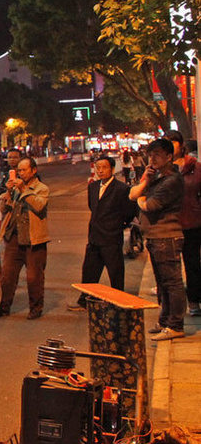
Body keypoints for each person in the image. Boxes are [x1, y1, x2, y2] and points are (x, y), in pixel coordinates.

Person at [130, 138, 187, 340]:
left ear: (169, 157)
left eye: (156, 155)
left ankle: (175, 325)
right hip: (155, 236)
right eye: (150, 155)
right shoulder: (158, 178)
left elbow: (150, 205)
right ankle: (165, 321)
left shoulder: (172, 180)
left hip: (167, 237)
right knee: (163, 283)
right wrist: (145, 181)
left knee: (172, 283)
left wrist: (142, 198)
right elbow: (133, 195)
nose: (151, 159)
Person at [69, 155, 135, 311]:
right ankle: (85, 300)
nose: (100, 171)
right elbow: (93, 207)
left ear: (112, 169)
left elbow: (129, 212)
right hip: (94, 236)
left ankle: (118, 301)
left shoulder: (122, 189)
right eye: (98, 168)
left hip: (111, 236)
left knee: (115, 272)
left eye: (104, 167)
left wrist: (118, 225)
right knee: (89, 270)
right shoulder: (93, 187)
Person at [0, 157, 50, 320]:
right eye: (19, 170)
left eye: (24, 170)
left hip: (34, 239)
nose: (21, 173)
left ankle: (36, 307)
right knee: (7, 276)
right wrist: (9, 193)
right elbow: (4, 209)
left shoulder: (41, 188)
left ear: (34, 171)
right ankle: (3, 307)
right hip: (14, 237)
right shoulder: (16, 188)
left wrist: (24, 189)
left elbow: (39, 206)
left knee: (34, 277)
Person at [164, 130, 201, 317]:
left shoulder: (194, 167)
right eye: (166, 142)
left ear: (181, 144)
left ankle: (194, 301)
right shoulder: (160, 168)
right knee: (170, 270)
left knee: (192, 265)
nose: (170, 145)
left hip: (190, 223)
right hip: (166, 227)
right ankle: (171, 311)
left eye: (173, 142)